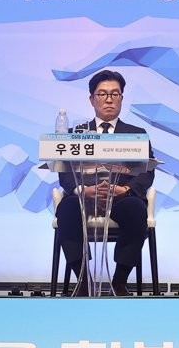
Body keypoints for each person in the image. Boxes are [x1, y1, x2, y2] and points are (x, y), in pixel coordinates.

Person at [55, 70, 154, 296]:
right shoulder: (75, 133)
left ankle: (119, 281)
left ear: (121, 98)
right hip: (84, 196)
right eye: (102, 94)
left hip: (120, 196)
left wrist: (126, 190)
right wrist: (83, 190)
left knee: (137, 210)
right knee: (67, 209)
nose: (109, 99)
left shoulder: (138, 134)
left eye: (115, 94)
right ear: (92, 99)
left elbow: (147, 173)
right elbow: (64, 171)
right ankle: (82, 279)